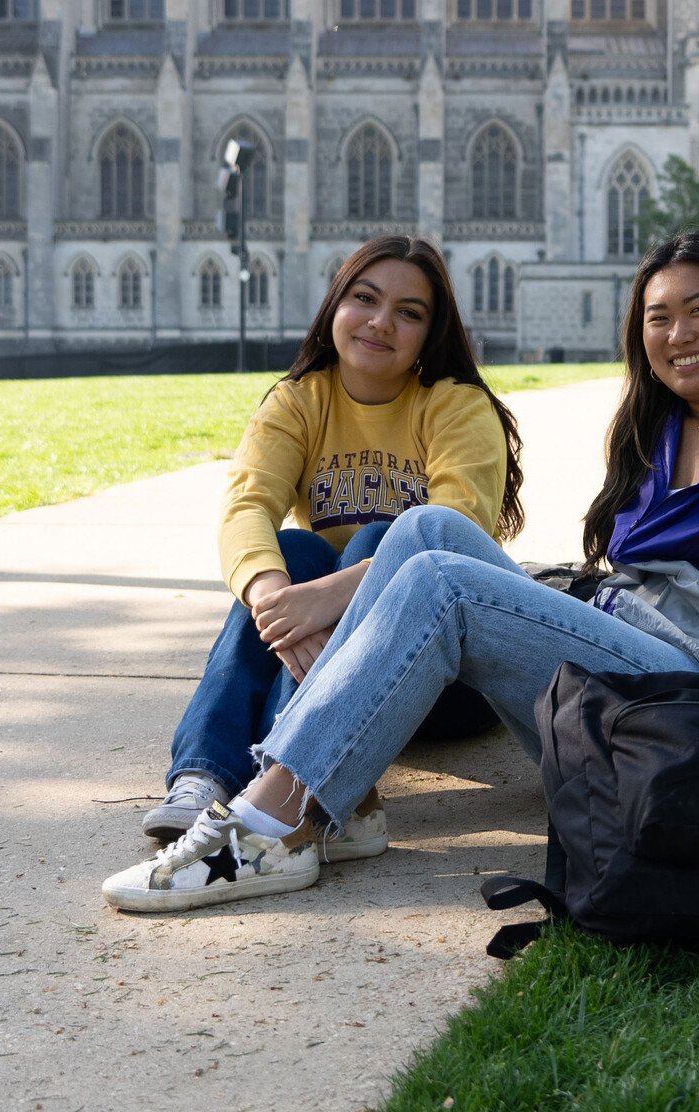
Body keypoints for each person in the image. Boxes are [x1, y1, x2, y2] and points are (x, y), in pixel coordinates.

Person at [104, 229, 699, 914]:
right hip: (629, 678)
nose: (677, 334)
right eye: (657, 317)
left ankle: (270, 823)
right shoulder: (660, 427)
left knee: (444, 581)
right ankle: (323, 795)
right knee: (426, 529)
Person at [135, 235, 524, 863]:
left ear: (431, 332)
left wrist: (330, 598)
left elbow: (454, 531)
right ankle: (205, 775)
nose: (380, 322)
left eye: (409, 312)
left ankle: (295, 784)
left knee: (383, 537)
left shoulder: (454, 405)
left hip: (443, 676)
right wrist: (276, 605)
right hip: (333, 669)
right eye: (364, 298)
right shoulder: (299, 401)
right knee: (290, 549)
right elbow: (246, 507)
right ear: (334, 306)